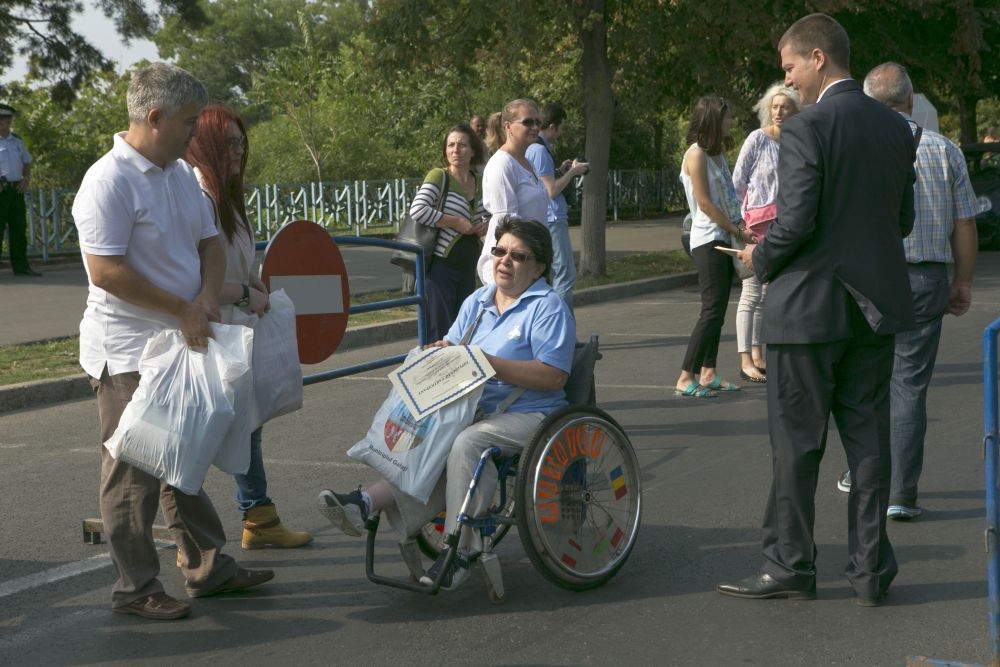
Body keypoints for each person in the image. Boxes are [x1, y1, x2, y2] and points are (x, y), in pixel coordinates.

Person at [718, 14, 916, 607]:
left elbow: (797, 220)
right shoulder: (895, 128)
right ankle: (870, 570)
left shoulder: (809, 127)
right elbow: (900, 221)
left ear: (818, 59)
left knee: (796, 447)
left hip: (807, 313)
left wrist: (759, 255)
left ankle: (790, 565)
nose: (790, 81)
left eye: (790, 67)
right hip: (874, 310)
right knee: (868, 444)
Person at [72, 63, 273, 621]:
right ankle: (135, 587)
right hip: (126, 350)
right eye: (188, 122)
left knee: (185, 453)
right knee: (132, 470)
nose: (195, 134)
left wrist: (205, 300)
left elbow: (210, 243)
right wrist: (183, 308)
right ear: (154, 117)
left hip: (182, 337)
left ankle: (208, 568)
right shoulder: (107, 180)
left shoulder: (181, 175)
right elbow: (105, 272)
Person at [319, 216, 575, 590]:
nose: (504, 260)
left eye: (517, 256)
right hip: (472, 408)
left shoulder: (548, 307)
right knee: (422, 430)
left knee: (466, 442)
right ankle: (364, 503)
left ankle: (461, 552)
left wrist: (490, 365)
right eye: (499, 250)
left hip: (532, 414)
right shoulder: (479, 300)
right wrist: (438, 355)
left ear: (538, 267)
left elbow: (554, 376)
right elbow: (455, 349)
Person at [832, 62, 979, 520]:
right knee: (909, 385)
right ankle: (900, 494)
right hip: (925, 279)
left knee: (864, 381)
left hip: (868, 277)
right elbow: (965, 223)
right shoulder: (945, 150)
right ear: (911, 101)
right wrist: (963, 282)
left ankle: (863, 474)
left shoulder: (858, 147)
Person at [185, 104, 313, 550]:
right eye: (231, 143)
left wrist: (252, 282)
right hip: (211, 334)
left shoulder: (226, 196)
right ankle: (198, 539)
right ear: (209, 145)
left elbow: (234, 262)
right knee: (207, 434)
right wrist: (242, 293)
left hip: (236, 331)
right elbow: (193, 282)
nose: (239, 151)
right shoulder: (199, 197)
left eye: (242, 143)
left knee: (247, 426)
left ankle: (258, 517)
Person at [673, 96, 748, 398]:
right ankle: (684, 376)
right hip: (707, 239)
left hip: (722, 235)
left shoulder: (716, 155)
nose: (731, 123)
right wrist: (735, 229)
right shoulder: (696, 155)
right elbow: (704, 203)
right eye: (727, 118)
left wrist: (738, 226)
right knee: (711, 309)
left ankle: (708, 372)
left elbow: (727, 197)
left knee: (717, 310)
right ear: (713, 121)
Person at [731, 84, 800, 383]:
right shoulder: (756, 140)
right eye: (775, 106)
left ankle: (757, 353)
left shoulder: (797, 143)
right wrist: (740, 224)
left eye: (785, 107)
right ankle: (745, 358)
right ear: (767, 109)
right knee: (751, 293)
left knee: (767, 296)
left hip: (782, 226)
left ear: (795, 111)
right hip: (755, 227)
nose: (779, 112)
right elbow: (737, 183)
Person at [409, 123, 489, 342]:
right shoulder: (439, 176)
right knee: (439, 333)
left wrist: (486, 224)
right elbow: (418, 210)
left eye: (462, 145)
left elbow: (489, 213)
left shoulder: (480, 181)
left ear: (473, 150)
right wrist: (454, 221)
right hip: (439, 269)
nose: (455, 150)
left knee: (463, 332)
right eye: (451, 145)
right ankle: (433, 375)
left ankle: (461, 377)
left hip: (468, 267)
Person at [476, 99, 550, 285]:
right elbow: (508, 226)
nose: (535, 127)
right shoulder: (502, 165)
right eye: (527, 122)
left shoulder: (527, 162)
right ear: (508, 127)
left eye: (537, 122)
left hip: (532, 260)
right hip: (512, 266)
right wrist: (525, 267)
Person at [526, 102, 589, 311]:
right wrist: (573, 172)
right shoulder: (539, 150)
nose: (561, 133)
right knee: (565, 274)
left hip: (549, 218)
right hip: (552, 219)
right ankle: (564, 332)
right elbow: (551, 191)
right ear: (552, 126)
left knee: (557, 274)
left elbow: (544, 183)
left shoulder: (537, 149)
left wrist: (561, 170)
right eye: (561, 128)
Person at [0, 103, 40, 276]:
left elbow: (27, 162)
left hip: (16, 190)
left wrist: (26, 179)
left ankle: (21, 267)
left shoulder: (17, 141)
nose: (4, 123)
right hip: (1, 190)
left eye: (7, 120)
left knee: (18, 229)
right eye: (1, 120)